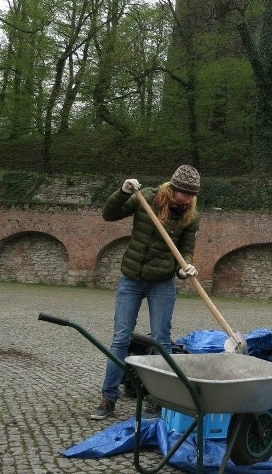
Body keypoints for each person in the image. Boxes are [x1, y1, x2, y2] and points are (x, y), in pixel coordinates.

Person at [90, 165, 201, 421]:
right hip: (131, 278)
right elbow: (109, 214)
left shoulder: (191, 217)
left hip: (162, 282)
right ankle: (108, 398)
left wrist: (185, 268)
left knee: (162, 340)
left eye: (190, 195)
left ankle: (157, 400)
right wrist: (122, 191)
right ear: (172, 187)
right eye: (182, 192)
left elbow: (186, 250)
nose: (185, 198)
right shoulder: (146, 198)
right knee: (120, 338)